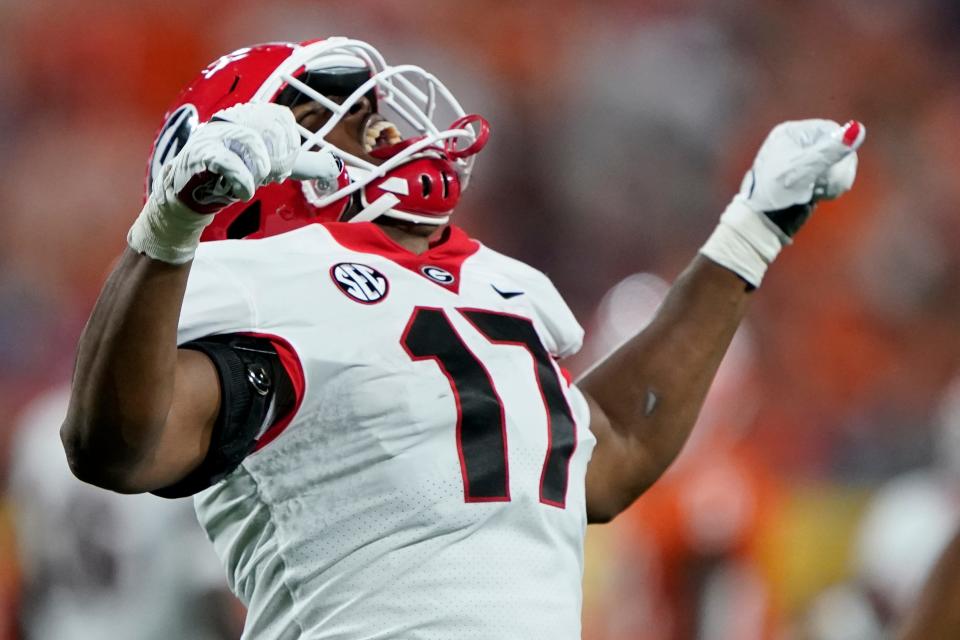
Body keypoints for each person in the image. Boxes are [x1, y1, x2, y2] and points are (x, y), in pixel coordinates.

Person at [60, 37, 865, 639]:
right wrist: (170, 230)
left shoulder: (494, 284)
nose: (380, 130)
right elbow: (118, 447)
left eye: (371, 109)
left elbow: (609, 448)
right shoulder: (267, 278)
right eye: (330, 115)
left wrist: (751, 231)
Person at [11, 385, 241, 640]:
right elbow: (210, 583)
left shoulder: (39, 426)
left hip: (60, 630)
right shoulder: (175, 425)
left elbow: (25, 563)